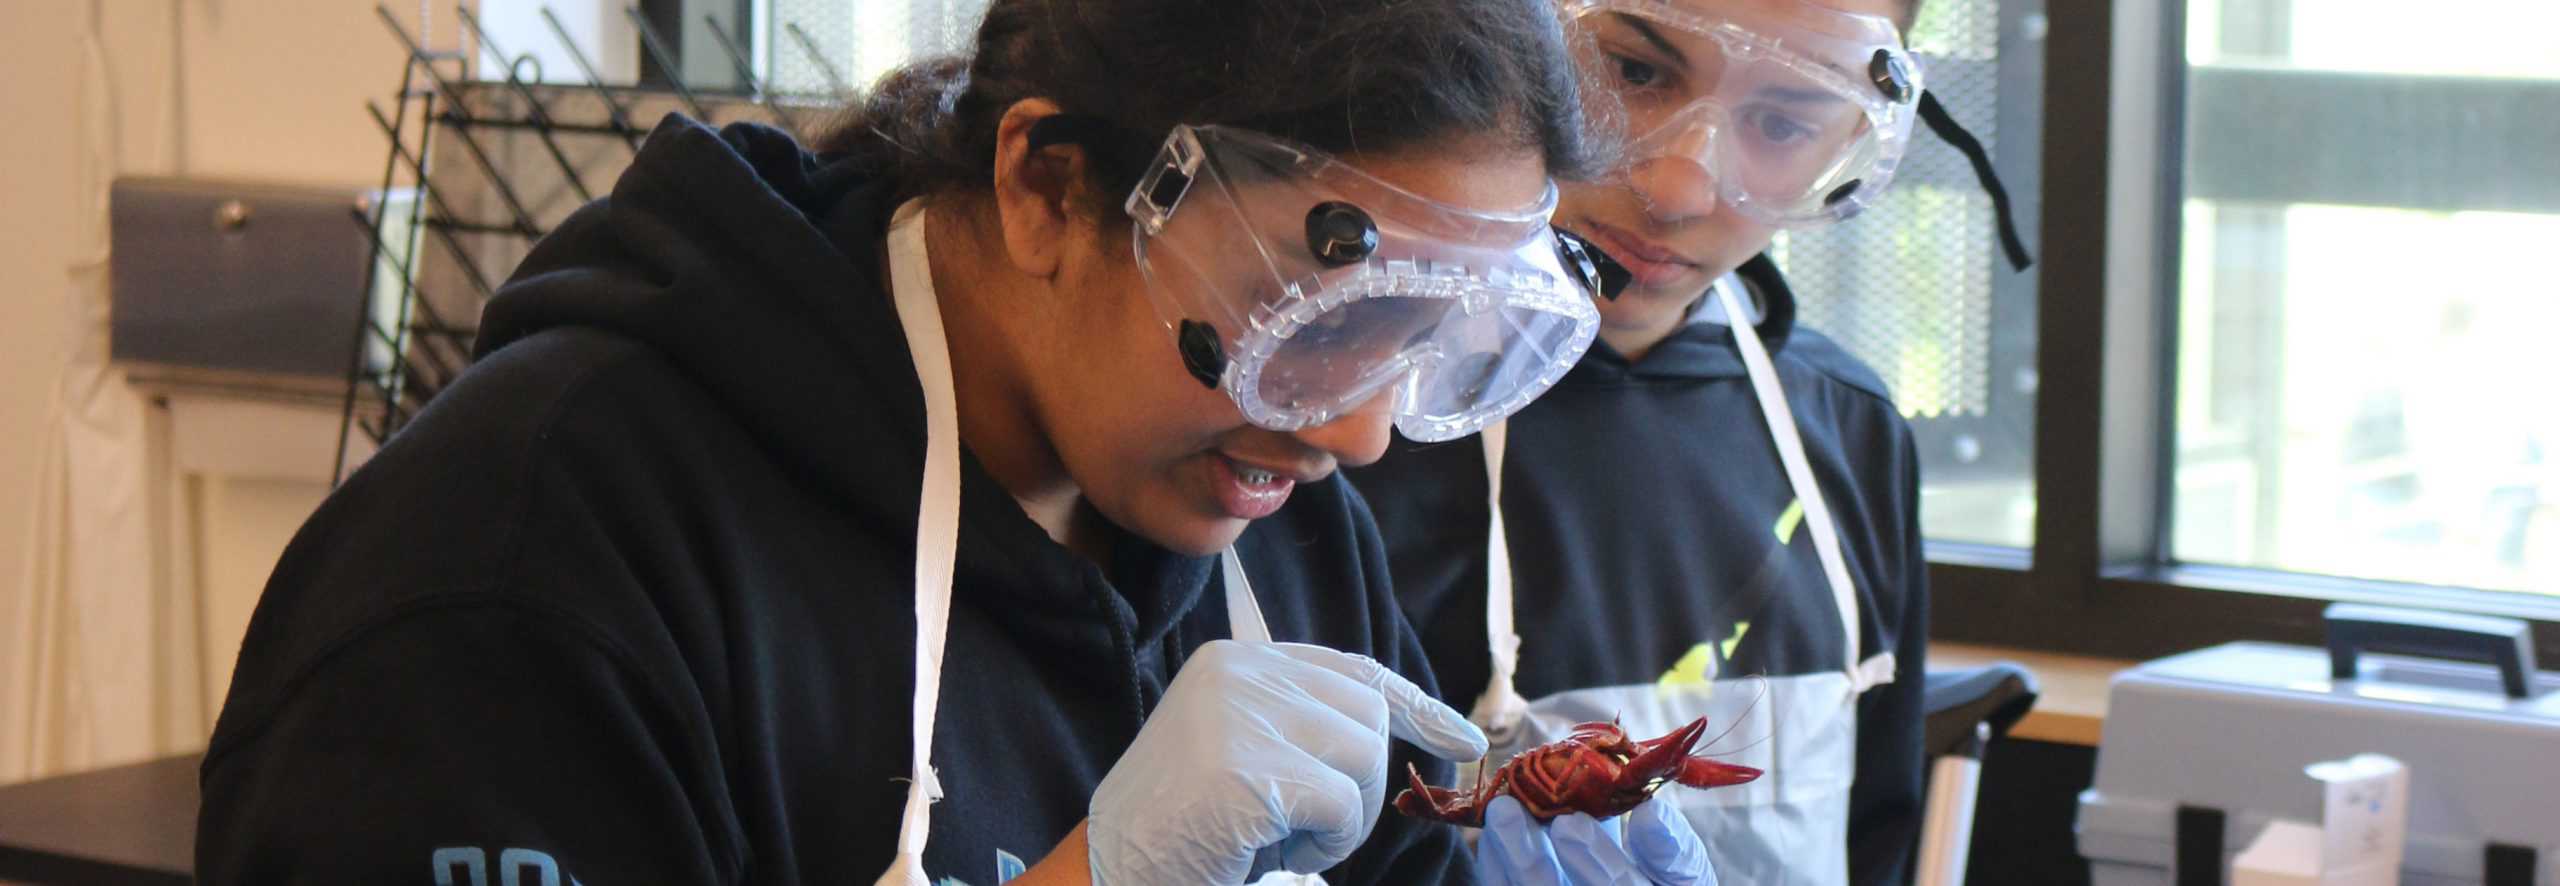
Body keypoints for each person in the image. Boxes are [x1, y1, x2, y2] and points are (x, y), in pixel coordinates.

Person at [193, 1, 1718, 883]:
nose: (1360, 428)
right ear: (1048, 184)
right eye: (1315, 310)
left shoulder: (1274, 522)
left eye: (1414, 335)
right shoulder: (524, 570)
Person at [1349, 0, 2030, 883]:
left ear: (1855, 141)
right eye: (1634, 73)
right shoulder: (1342, 409)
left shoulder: (1848, 426)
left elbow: (1878, 832)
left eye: (1783, 123)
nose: (1677, 190)